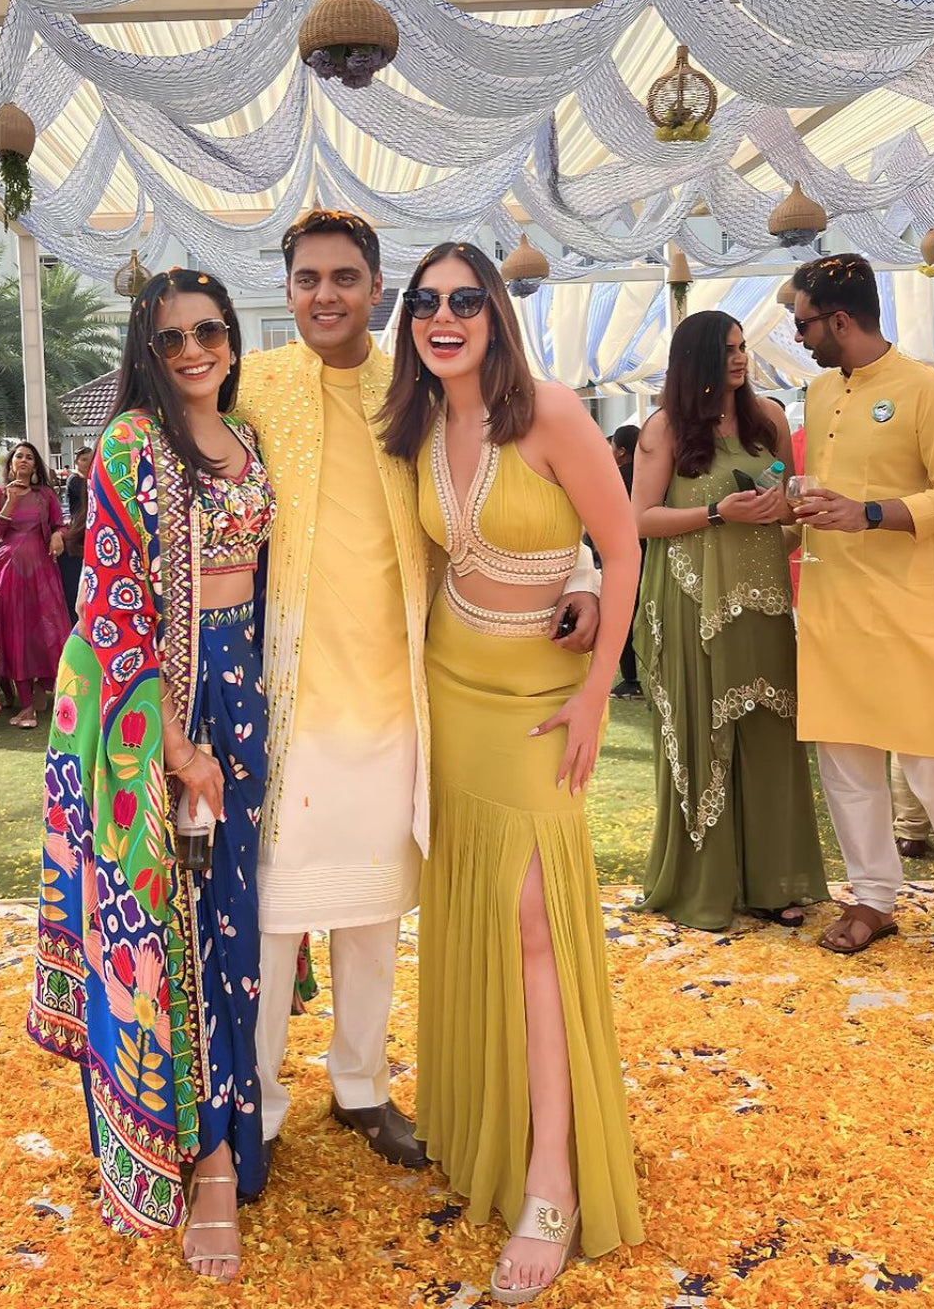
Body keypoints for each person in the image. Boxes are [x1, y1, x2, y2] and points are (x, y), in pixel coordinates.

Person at [235, 210, 605, 1178]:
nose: (326, 295)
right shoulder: (254, 384)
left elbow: (515, 496)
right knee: (275, 914)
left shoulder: (417, 392)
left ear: (376, 289)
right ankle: (257, 1106)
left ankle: (360, 1085)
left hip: (399, 698)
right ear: (287, 291)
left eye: (345, 278)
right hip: (287, 700)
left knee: (372, 912)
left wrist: (583, 578)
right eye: (308, 279)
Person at [379, 242, 642, 1305]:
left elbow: (623, 547)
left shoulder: (552, 412)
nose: (443, 317)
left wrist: (597, 688)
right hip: (450, 688)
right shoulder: (416, 424)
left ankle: (553, 1176)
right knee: (476, 906)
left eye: (464, 300)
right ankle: (482, 1117)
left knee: (536, 918)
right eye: (425, 302)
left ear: (495, 312)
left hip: (541, 700)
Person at [27, 270, 274, 1281]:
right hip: (160, 708)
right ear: (147, 350)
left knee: (234, 922)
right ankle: (202, 1159)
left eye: (208, 330)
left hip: (244, 695)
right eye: (170, 338)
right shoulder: (134, 443)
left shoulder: (247, 438)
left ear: (232, 338)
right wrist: (175, 745)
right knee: (178, 929)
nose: (192, 350)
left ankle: (239, 1127)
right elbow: (115, 601)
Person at [631, 311, 828, 933]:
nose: (740, 358)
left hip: (763, 599)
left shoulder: (768, 418)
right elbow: (640, 519)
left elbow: (789, 508)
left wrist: (782, 509)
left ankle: (774, 881)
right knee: (703, 736)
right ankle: (705, 884)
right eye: (727, 350)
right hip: (693, 603)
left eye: (742, 347)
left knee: (770, 734)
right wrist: (718, 512)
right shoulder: (665, 427)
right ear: (696, 360)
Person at [790, 253, 934, 953]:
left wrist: (870, 513)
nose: (797, 336)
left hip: (906, 606)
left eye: (803, 323)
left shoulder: (927, 390)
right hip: (831, 604)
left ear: (839, 320)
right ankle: (873, 900)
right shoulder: (818, 392)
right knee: (845, 759)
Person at [0, 441, 71, 728]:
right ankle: (26, 706)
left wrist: (57, 534)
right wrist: (11, 501)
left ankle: (48, 688)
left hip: (41, 571)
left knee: (46, 628)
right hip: (9, 571)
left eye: (29, 457)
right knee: (15, 631)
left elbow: (60, 523)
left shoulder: (45, 495)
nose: (23, 460)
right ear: (10, 463)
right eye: (19, 456)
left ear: (35, 466)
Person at [609, 423, 644, 699]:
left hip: (623, 555)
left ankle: (631, 678)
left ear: (621, 451)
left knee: (624, 615)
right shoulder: (649, 477)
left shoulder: (615, 478)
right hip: (654, 552)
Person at [59, 445, 93, 625]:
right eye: (84, 459)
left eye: (90, 459)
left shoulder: (91, 479)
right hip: (79, 529)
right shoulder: (75, 480)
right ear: (77, 462)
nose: (87, 463)